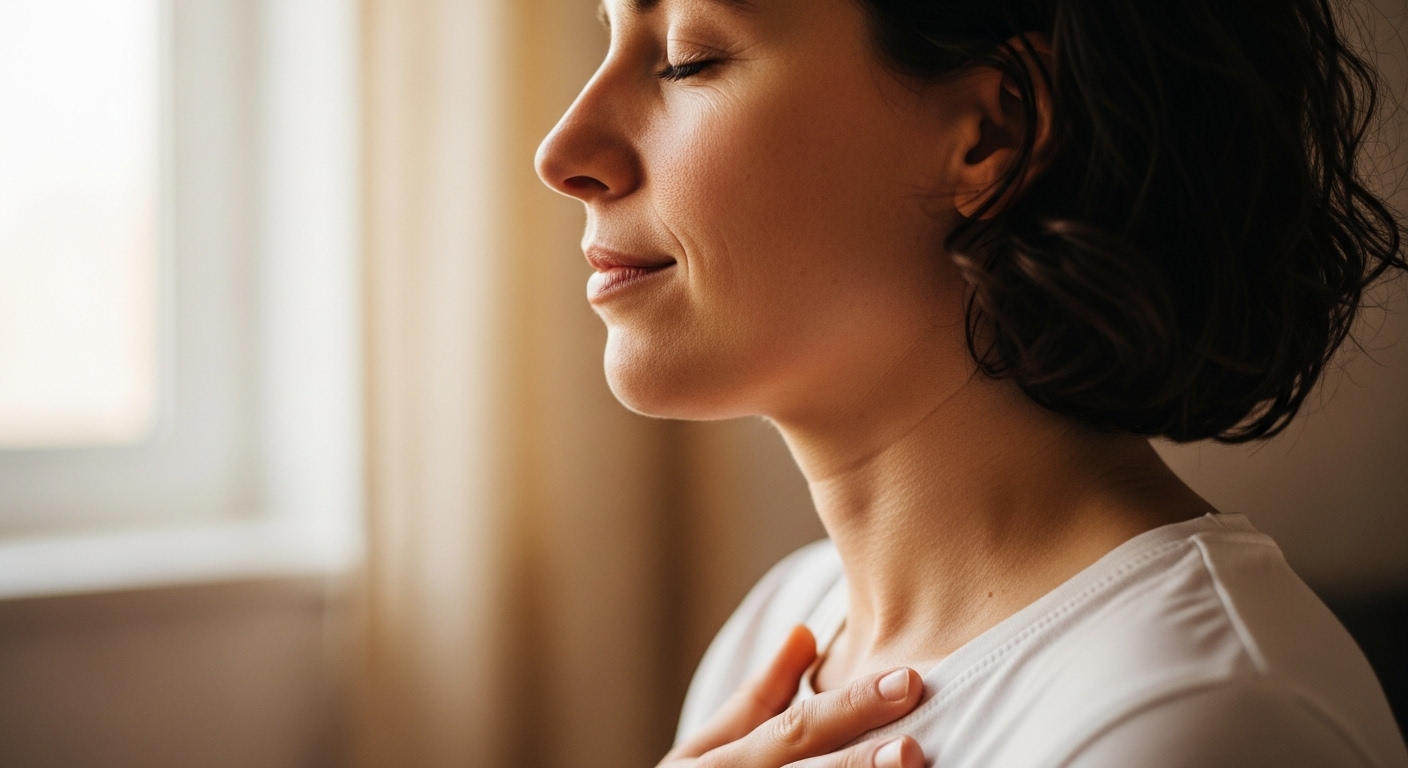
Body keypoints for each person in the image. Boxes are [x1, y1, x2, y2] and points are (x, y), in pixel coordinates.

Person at [535, 0, 1408, 765]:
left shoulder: (1197, 719)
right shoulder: (782, 634)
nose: (562, 151)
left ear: (994, 131)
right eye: (607, 36)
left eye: (689, 57)